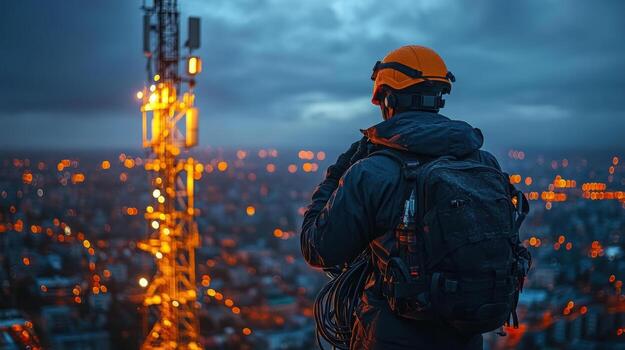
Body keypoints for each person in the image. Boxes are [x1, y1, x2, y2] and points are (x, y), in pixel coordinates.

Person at [300, 45, 517, 349]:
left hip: (389, 336)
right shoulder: (484, 164)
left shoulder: (372, 172)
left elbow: (317, 248)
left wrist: (335, 178)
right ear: (438, 98)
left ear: (387, 99)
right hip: (465, 337)